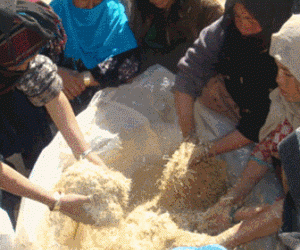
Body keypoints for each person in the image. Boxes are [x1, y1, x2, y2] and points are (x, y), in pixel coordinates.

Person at [0, 0, 103, 228]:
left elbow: (52, 94)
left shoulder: (16, 49)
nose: (30, 62)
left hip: (10, 95)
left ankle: (31, 162)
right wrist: (54, 201)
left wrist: (85, 153)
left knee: (34, 130)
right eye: (23, 60)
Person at [200, 14, 300, 249]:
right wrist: (232, 199)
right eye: (278, 68)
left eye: (287, 73)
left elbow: (288, 210)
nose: (278, 79)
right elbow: (268, 145)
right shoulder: (290, 106)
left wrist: (220, 242)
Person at [173, 0, 293, 158]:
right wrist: (189, 141)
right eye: (238, 16)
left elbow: (258, 122)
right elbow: (190, 71)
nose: (243, 25)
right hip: (235, 98)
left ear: (271, 19)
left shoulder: (286, 47)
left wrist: (207, 151)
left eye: (251, 19)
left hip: (275, 116)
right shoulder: (226, 27)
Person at [49, 0, 141, 114]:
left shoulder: (112, 11)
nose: (90, 7)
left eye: (97, 3)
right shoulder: (54, 13)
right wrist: (56, 72)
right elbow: (33, 60)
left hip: (106, 103)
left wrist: (84, 79)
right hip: (61, 101)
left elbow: (129, 62)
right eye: (84, 2)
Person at [129, 0, 224, 73]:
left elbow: (221, 62)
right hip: (150, 81)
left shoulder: (208, 10)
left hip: (191, 85)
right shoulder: (140, 6)